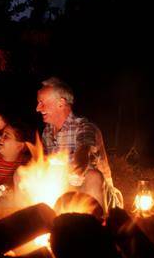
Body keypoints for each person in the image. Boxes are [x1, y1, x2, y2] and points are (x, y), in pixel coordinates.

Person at [35, 77, 122, 212]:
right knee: (23, 175)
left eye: (42, 102)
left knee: (93, 177)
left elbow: (84, 149)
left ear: (61, 103)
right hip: (65, 190)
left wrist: (78, 170)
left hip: (97, 192)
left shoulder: (84, 126)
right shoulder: (46, 132)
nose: (37, 108)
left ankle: (98, 228)